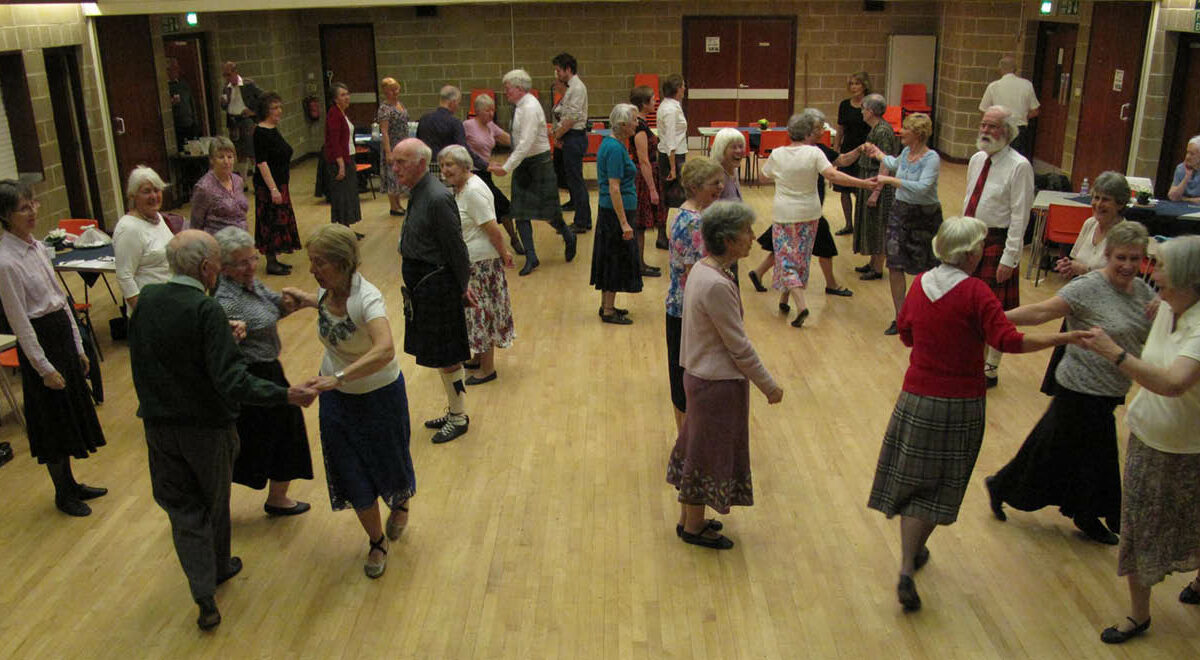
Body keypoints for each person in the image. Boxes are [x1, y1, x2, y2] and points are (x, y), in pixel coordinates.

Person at [866, 216, 1083, 612]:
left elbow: (906, 335)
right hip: (962, 402)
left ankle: (906, 566)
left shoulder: (919, 286)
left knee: (915, 482)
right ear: (968, 253)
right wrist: (1063, 337)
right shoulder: (976, 293)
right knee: (942, 484)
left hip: (916, 397)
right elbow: (1009, 342)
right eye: (981, 246)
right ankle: (914, 556)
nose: (984, 252)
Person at [129, 230, 316, 630]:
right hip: (206, 428)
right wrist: (285, 395)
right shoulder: (206, 309)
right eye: (219, 262)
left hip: (159, 427)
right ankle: (216, 570)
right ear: (206, 268)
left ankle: (203, 590)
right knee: (212, 502)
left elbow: (150, 358)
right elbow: (233, 382)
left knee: (182, 510)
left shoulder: (147, 301)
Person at [986, 221, 1153, 545]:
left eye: (1135, 259)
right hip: (1079, 388)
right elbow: (1039, 312)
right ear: (1107, 255)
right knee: (1091, 456)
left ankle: (1004, 485)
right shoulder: (1088, 287)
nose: (1129, 265)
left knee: (1056, 451)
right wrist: (990, 315)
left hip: (1111, 389)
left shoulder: (1143, 292)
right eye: (1122, 257)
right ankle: (1087, 514)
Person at [1079, 235, 1200, 644]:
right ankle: (1139, 615)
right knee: (1139, 527)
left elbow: (1173, 383)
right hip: (1150, 438)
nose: (1153, 275)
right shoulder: (1168, 304)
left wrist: (1114, 353)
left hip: (1190, 449)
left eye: (1160, 268)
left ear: (1187, 279)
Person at [280, 225, 414, 581]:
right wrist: (307, 300)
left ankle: (400, 502)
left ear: (341, 263)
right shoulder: (327, 291)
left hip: (379, 396)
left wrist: (337, 378)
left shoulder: (366, 298)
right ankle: (376, 540)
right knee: (350, 470)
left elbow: (385, 349)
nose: (311, 270)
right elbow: (331, 310)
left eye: (318, 262)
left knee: (389, 461)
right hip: (338, 402)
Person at [666, 201, 783, 550]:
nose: (752, 238)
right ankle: (694, 528)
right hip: (716, 384)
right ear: (729, 239)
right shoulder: (717, 283)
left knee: (696, 450)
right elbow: (739, 347)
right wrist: (769, 386)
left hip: (700, 377)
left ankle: (691, 519)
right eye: (747, 232)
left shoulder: (704, 270)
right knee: (704, 453)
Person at [0, 180, 106, 517]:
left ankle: (73, 483)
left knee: (70, 414)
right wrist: (44, 368)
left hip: (61, 334)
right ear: (5, 216)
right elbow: (21, 322)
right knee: (53, 422)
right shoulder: (5, 262)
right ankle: (63, 492)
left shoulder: (37, 247)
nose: (32, 212)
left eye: (33, 204)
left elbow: (60, 300)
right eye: (23, 208)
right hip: (41, 344)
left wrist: (78, 345)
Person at [213, 227, 313, 516]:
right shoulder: (225, 301)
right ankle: (214, 504)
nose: (251, 266)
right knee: (248, 444)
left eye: (253, 258)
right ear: (225, 267)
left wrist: (290, 305)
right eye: (242, 263)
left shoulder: (252, 285)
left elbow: (271, 309)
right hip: (249, 378)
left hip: (269, 369)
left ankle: (278, 498)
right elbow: (222, 344)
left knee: (284, 434)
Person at [758, 109, 874, 328]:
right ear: (807, 132)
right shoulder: (814, 153)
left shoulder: (778, 154)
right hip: (810, 214)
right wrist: (863, 183)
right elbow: (832, 174)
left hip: (784, 215)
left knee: (785, 260)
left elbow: (762, 177)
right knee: (800, 259)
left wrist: (780, 177)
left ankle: (801, 306)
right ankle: (784, 300)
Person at [393, 138, 473, 444]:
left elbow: (456, 249)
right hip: (422, 285)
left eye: (402, 162)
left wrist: (463, 287)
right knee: (440, 355)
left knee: (448, 354)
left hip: (437, 285)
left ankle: (459, 415)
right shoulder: (420, 191)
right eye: (395, 161)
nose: (395, 167)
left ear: (422, 164)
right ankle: (454, 408)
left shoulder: (437, 198)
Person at [963, 105, 1035, 387]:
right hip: (971, 239)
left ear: (1007, 132)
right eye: (983, 125)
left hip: (998, 242)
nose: (985, 130)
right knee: (969, 306)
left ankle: (990, 368)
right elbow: (969, 198)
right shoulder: (977, 159)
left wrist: (1010, 258)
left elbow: (1021, 215)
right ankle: (971, 360)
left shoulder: (1019, 166)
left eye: (992, 126)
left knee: (994, 310)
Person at [438, 145, 515, 386]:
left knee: (481, 312)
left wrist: (504, 254)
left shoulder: (473, 191)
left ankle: (487, 368)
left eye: (449, 165)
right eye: (441, 166)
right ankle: (479, 358)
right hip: (470, 261)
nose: (444, 171)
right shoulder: (461, 188)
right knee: (474, 313)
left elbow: (492, 228)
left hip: (480, 262)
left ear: (464, 166)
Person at [489, 69, 576, 276]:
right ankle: (531, 257)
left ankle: (568, 236)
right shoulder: (519, 106)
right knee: (519, 212)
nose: (505, 92)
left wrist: (506, 167)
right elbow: (517, 141)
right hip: (524, 164)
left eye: (507, 88)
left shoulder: (529, 107)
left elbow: (526, 143)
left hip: (538, 163)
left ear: (519, 88)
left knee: (550, 212)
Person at [863, 112, 942, 335]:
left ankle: (924, 315)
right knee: (895, 264)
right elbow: (893, 163)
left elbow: (922, 187)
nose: (901, 132)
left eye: (906, 129)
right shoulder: (907, 152)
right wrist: (878, 154)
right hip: (900, 212)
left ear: (918, 134)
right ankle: (901, 317)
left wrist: (888, 180)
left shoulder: (932, 158)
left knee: (925, 268)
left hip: (924, 216)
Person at [665, 157, 725, 431]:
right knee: (688, 379)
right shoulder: (693, 222)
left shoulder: (689, 214)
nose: (721, 188)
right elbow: (694, 273)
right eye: (715, 183)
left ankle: (687, 441)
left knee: (684, 378)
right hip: (689, 312)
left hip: (683, 308)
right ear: (696, 186)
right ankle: (689, 443)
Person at [590, 104, 643, 325]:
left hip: (614, 211)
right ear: (622, 125)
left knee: (611, 259)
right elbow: (614, 188)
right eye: (633, 120)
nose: (637, 123)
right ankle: (609, 310)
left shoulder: (615, 145)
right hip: (614, 214)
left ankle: (607, 305)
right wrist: (624, 223)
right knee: (613, 259)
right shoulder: (613, 149)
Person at [464, 93, 523, 256]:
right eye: (487, 110)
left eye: (492, 110)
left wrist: (526, 144)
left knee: (500, 206)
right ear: (477, 111)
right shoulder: (467, 126)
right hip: (472, 174)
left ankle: (512, 239)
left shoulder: (491, 126)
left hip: (486, 174)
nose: (491, 113)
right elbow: (462, 148)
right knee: (501, 205)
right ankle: (510, 240)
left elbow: (508, 139)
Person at [252, 91, 302, 275]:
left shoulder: (273, 129)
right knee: (270, 221)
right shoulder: (260, 132)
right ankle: (271, 262)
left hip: (281, 183)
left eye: (280, 107)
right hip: (268, 186)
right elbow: (262, 163)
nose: (279, 111)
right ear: (265, 110)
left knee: (279, 220)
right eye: (274, 108)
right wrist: (273, 189)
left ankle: (275, 258)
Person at [851, 93, 898, 281]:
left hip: (878, 183)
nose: (862, 112)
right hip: (869, 180)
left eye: (863, 109)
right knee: (870, 222)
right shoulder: (875, 128)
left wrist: (876, 192)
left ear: (870, 111)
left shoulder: (883, 131)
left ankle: (877, 267)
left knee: (879, 224)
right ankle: (872, 262)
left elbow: (885, 162)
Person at [114, 165, 175, 311]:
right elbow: (124, 276)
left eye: (157, 190)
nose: (154, 196)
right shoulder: (129, 228)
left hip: (169, 303)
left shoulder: (157, 218)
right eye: (146, 192)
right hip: (150, 309)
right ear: (133, 196)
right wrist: (143, 313)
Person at [1056, 171, 1131, 277]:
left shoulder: (1126, 236)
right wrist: (1068, 266)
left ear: (1120, 204)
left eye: (1105, 200)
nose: (1099, 204)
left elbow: (1119, 279)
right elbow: (1076, 260)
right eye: (1096, 198)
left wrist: (1084, 271)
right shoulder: (1090, 223)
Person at [551, 53, 592, 234]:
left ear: (568, 69)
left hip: (574, 136)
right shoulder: (571, 87)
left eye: (559, 70)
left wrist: (557, 135)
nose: (556, 73)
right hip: (570, 136)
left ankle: (582, 221)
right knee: (572, 178)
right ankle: (576, 205)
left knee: (576, 180)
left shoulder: (577, 88)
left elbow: (571, 118)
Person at [629, 85, 667, 276]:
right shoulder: (640, 128)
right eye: (653, 100)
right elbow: (643, 160)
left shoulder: (641, 124)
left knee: (641, 225)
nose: (655, 103)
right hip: (643, 178)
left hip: (648, 174)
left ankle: (639, 263)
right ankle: (638, 265)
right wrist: (652, 188)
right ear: (644, 104)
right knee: (640, 224)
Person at [416, 85, 485, 178]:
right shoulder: (455, 123)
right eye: (458, 103)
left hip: (428, 170)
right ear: (453, 102)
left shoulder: (424, 119)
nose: (458, 107)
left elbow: (419, 144)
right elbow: (463, 149)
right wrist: (484, 165)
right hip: (447, 170)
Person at [979, 56, 1040, 159]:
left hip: (999, 129)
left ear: (1000, 69)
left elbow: (983, 110)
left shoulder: (993, 86)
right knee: (1017, 160)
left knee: (997, 159)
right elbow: (1035, 111)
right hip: (1020, 130)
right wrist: (1022, 115)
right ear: (1016, 69)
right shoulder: (1027, 85)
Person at [834, 71, 871, 235]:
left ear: (864, 86)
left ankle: (862, 226)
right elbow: (840, 128)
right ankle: (849, 224)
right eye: (852, 84)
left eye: (857, 83)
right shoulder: (844, 105)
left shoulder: (870, 104)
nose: (854, 87)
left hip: (865, 149)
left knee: (860, 190)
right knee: (843, 189)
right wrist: (836, 149)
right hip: (847, 148)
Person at [189, 137, 248, 236]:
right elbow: (196, 224)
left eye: (230, 157)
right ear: (212, 160)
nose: (226, 161)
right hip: (218, 243)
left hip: (242, 240)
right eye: (221, 157)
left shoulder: (238, 180)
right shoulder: (204, 188)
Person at [324, 82, 362, 233]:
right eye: (342, 95)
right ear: (335, 99)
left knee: (349, 194)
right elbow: (334, 141)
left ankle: (347, 227)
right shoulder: (334, 114)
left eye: (347, 94)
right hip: (340, 161)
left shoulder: (342, 113)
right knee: (342, 195)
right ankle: (342, 228)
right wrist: (340, 164)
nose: (347, 97)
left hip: (348, 157)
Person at [220, 61, 263, 185]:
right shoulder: (226, 88)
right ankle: (243, 182)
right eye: (224, 75)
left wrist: (253, 112)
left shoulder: (248, 84)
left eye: (228, 74)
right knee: (239, 153)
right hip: (234, 121)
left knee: (252, 151)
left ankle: (257, 181)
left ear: (235, 72)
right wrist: (223, 103)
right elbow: (225, 106)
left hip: (246, 120)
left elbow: (263, 98)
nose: (227, 78)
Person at [657, 73, 689, 232]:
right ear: (677, 89)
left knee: (670, 197)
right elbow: (670, 140)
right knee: (673, 197)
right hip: (672, 158)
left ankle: (667, 233)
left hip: (673, 156)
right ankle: (669, 233)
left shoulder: (672, 105)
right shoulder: (670, 109)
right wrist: (673, 168)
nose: (685, 88)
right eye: (683, 85)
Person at [376, 77, 410, 217]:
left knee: (399, 175)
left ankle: (399, 204)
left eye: (397, 88)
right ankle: (393, 206)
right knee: (392, 176)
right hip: (392, 146)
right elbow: (384, 132)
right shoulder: (384, 109)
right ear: (385, 91)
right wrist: (388, 152)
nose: (395, 92)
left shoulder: (399, 104)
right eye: (392, 90)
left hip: (403, 145)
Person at [167, 57, 200, 151]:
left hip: (189, 124)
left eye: (177, 68)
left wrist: (195, 121)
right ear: (168, 70)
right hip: (176, 127)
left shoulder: (184, 84)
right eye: (173, 68)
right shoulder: (165, 87)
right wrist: (171, 103)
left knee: (192, 149)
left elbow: (191, 103)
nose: (176, 70)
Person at [710, 128, 746, 203]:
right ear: (721, 150)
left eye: (741, 146)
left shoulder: (733, 170)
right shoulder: (716, 176)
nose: (739, 151)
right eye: (734, 147)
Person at [1166, 135, 1200, 203]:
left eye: (1192, 154)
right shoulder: (1181, 168)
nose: (1187, 157)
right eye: (1187, 152)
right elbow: (1172, 197)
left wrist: (1184, 199)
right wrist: (1186, 177)